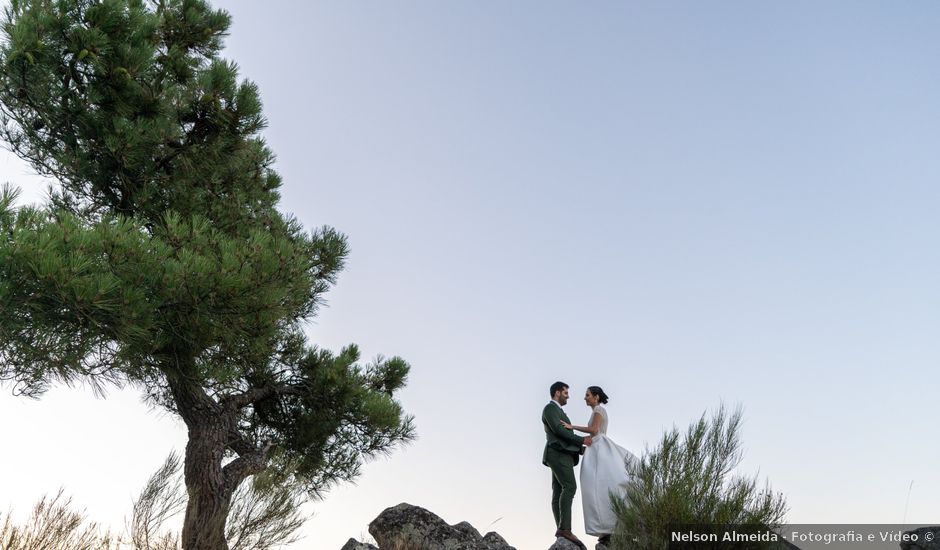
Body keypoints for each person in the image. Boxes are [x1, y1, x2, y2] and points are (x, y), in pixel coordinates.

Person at [562, 386, 637, 546]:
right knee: (598, 489)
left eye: (587, 395)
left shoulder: (599, 410)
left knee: (600, 487)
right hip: (595, 447)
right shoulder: (596, 410)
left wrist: (572, 427)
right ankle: (607, 528)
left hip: (599, 448)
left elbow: (594, 430)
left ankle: (608, 527)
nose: (585, 398)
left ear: (596, 397)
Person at [542, 381, 593, 548]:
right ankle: (565, 529)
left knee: (558, 491)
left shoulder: (559, 411)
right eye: (566, 393)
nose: (568, 396)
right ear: (557, 392)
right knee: (569, 487)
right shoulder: (550, 409)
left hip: (561, 454)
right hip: (557, 454)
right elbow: (558, 430)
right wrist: (581, 440)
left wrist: (579, 449)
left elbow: (563, 435)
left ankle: (561, 529)